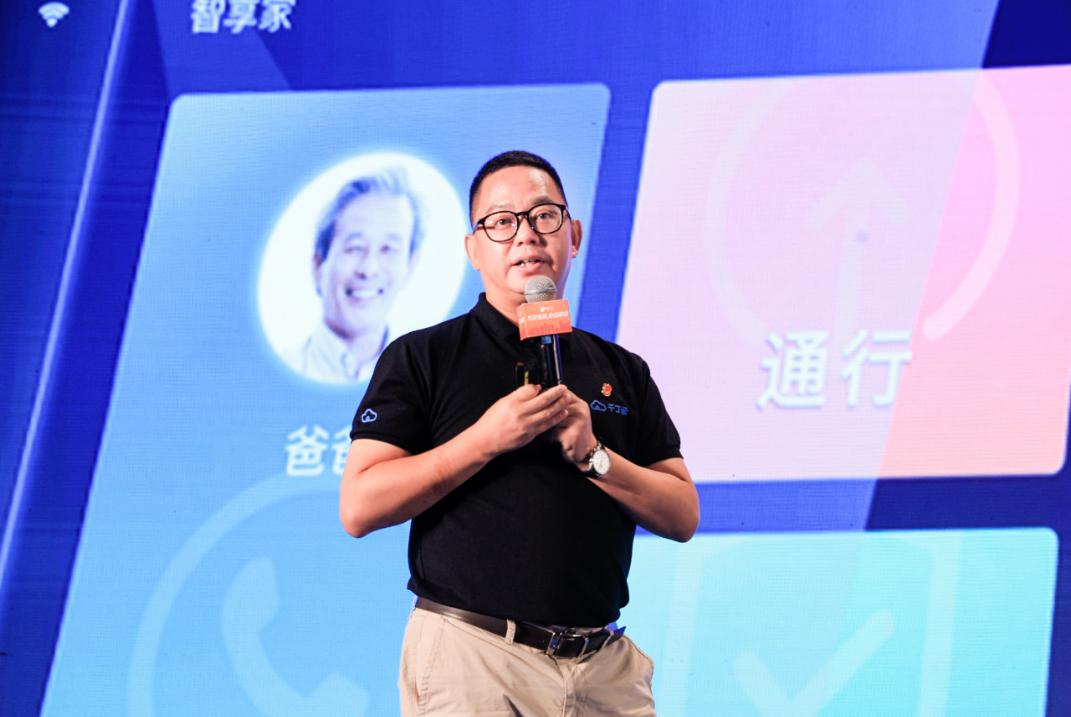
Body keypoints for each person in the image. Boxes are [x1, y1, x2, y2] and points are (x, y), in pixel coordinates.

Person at [340, 150, 698, 715]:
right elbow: (360, 506)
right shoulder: (424, 356)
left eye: (544, 216)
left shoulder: (621, 369)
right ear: (473, 249)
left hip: (602, 669)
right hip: (476, 657)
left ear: (573, 235)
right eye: (502, 222)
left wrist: (593, 454)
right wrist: (485, 440)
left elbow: (682, 515)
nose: (527, 236)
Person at [287, 168, 423, 383]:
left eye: (388, 249)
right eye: (355, 248)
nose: (369, 269)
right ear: (318, 264)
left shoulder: (429, 374)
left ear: (410, 265)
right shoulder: (279, 373)